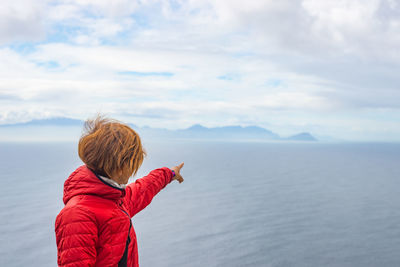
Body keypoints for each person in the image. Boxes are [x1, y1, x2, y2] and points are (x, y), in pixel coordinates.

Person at [55, 116, 184, 267]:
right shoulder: (78, 215)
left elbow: (143, 189)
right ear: (118, 165)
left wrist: (170, 173)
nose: (133, 171)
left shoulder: (113, 197)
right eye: (132, 164)